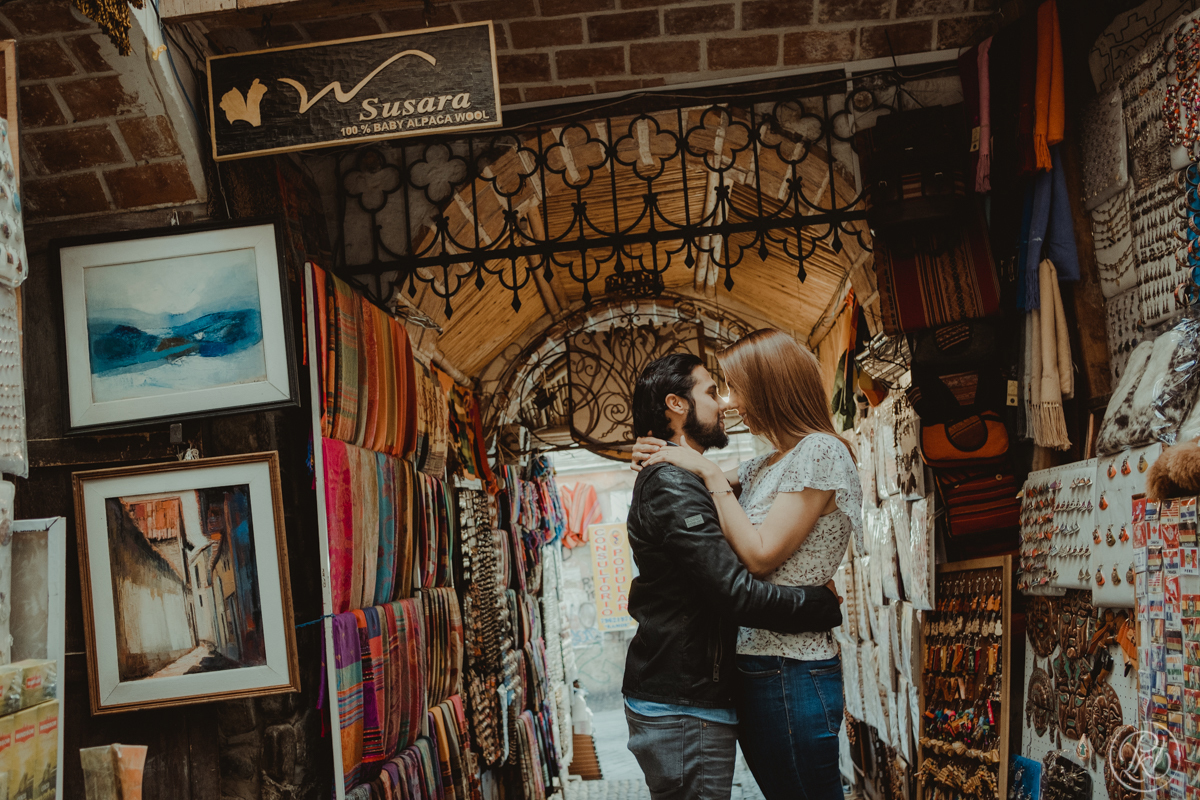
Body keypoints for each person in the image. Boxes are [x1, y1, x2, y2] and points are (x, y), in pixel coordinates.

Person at [636, 329, 864, 800]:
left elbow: (759, 556)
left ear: (769, 387)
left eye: (735, 387)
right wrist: (653, 454)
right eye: (719, 390)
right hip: (760, 667)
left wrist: (711, 472)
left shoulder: (820, 452)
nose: (731, 402)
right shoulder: (769, 464)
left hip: (792, 667)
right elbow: (681, 484)